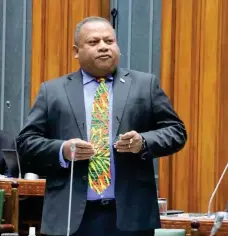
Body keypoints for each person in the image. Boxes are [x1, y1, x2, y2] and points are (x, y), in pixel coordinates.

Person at [16, 16, 187, 236]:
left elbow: (176, 131)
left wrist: (143, 143)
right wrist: (63, 150)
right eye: (94, 42)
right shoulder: (53, 91)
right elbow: (26, 142)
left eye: (109, 41)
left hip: (130, 215)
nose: (104, 47)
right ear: (76, 51)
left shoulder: (145, 85)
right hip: (71, 216)